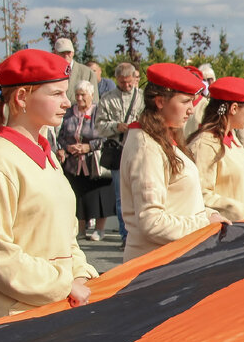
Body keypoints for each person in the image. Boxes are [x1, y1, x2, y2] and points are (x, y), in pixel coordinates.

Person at [0, 48, 96, 323]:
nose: (67, 102)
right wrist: (63, 284)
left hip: (52, 311)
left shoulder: (47, 156)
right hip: (11, 321)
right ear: (22, 97)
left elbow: (66, 235)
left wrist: (80, 273)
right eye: (56, 94)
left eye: (66, 93)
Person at [121, 63, 226, 261]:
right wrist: (205, 223)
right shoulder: (147, 146)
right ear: (160, 101)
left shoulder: (160, 138)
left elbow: (179, 203)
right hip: (155, 264)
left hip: (172, 259)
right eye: (185, 102)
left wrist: (209, 215)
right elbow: (151, 222)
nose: (191, 110)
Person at [187, 76, 244, 223]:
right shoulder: (205, 144)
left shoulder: (232, 140)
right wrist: (241, 211)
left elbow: (239, 186)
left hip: (241, 230)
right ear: (234, 109)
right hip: (223, 233)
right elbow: (200, 195)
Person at [58, 80, 115, 241]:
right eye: (77, 94)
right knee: (77, 195)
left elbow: (106, 134)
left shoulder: (99, 111)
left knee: (98, 195)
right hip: (73, 161)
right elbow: (61, 134)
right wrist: (67, 147)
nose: (79, 98)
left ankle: (99, 229)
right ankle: (81, 228)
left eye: (83, 94)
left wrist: (89, 147)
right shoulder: (69, 112)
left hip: (94, 161)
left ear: (91, 95)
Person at [95, 62, 142, 249]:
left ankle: (140, 233)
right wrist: (116, 127)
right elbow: (99, 126)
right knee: (121, 196)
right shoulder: (107, 99)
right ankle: (125, 235)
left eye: (129, 82)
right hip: (118, 150)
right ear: (117, 80)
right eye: (123, 83)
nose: (127, 86)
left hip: (139, 150)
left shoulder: (142, 98)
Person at [53, 37, 98, 104]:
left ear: (73, 53)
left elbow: (94, 102)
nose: (66, 56)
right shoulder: (50, 73)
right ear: (55, 53)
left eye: (68, 52)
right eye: (62, 53)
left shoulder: (88, 73)